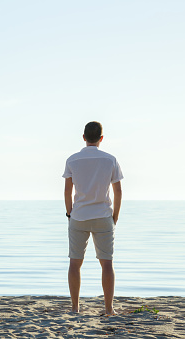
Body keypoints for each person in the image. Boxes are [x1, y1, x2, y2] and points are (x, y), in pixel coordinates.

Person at [62, 121, 123, 315]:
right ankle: (108, 309)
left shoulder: (72, 160)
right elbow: (118, 191)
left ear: (84, 137)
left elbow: (67, 191)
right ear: (101, 138)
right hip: (103, 215)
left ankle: (74, 308)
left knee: (74, 262)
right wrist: (115, 216)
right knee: (106, 263)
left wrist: (69, 214)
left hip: (79, 216)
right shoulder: (110, 160)